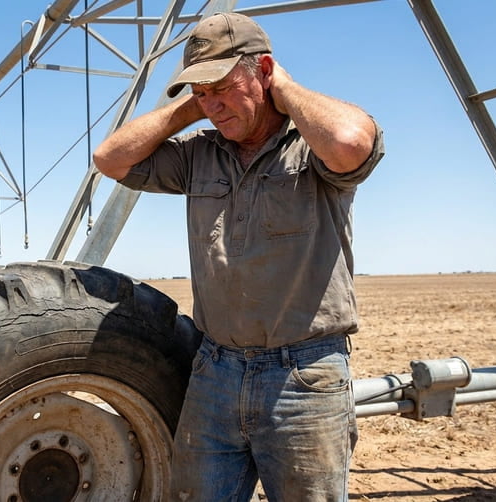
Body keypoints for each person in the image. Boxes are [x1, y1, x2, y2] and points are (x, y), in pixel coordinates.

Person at [92, 11, 384, 502]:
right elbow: (110, 159)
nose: (214, 104)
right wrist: (192, 109)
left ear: (263, 72)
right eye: (202, 92)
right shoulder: (199, 154)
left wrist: (285, 90)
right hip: (215, 374)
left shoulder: (310, 151)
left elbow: (352, 143)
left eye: (222, 87)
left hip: (302, 379)